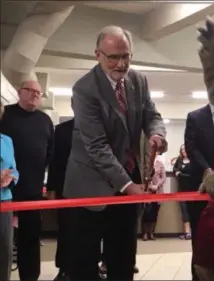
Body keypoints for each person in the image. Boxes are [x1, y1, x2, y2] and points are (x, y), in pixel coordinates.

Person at [63, 25, 167, 281]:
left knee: (123, 258)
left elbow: (151, 114)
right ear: (97, 55)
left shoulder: (138, 80)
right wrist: (128, 185)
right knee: (83, 265)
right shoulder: (84, 90)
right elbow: (97, 147)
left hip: (127, 182)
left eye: (126, 56)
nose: (121, 64)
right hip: (89, 186)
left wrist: (157, 133)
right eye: (113, 57)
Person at [0, 80, 54, 281]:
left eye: (38, 93)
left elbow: (51, 153)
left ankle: (30, 277)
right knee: (3, 239)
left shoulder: (45, 120)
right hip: (4, 190)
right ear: (19, 92)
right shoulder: (6, 115)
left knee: (30, 238)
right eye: (30, 91)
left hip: (32, 189)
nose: (34, 95)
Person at [184, 103, 214, 280]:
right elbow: (191, 148)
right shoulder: (195, 116)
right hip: (200, 187)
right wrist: (206, 169)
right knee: (200, 241)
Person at [46, 118, 74, 281]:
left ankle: (91, 266)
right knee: (65, 228)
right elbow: (54, 160)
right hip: (65, 187)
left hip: (92, 189)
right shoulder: (62, 129)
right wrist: (51, 188)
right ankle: (64, 269)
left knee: (92, 230)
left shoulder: (98, 125)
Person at [0, 100, 19, 281]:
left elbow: (14, 168)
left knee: (4, 250)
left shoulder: (7, 140)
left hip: (4, 201)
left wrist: (10, 178)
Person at [141, 153, 166, 241]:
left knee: (155, 214)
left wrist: (157, 185)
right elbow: (143, 176)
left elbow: (163, 178)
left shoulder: (160, 163)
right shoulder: (144, 163)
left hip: (157, 192)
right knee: (146, 213)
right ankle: (144, 233)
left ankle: (151, 233)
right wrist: (149, 185)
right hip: (147, 191)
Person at [173, 144, 192, 240]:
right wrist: (177, 173)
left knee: (192, 211)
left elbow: (192, 175)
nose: (183, 150)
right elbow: (174, 170)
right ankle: (187, 233)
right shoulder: (179, 160)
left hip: (193, 191)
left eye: (185, 149)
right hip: (181, 191)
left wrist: (181, 174)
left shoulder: (193, 161)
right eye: (182, 149)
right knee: (184, 212)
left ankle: (194, 232)